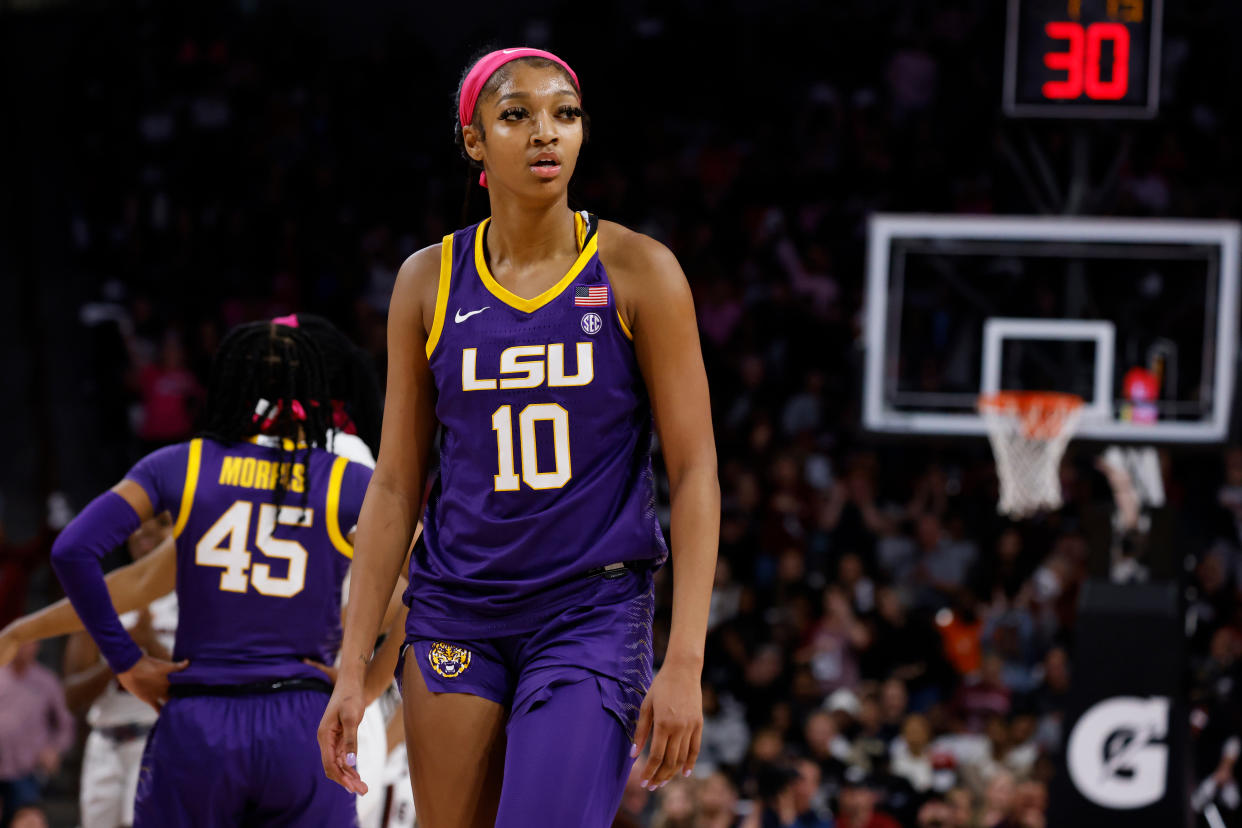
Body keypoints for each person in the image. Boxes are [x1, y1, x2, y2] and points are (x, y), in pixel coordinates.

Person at [318, 46, 719, 828]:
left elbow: (697, 469)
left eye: (564, 115)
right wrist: (349, 668)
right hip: (455, 607)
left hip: (589, 610)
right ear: (473, 140)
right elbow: (398, 484)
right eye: (517, 115)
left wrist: (685, 660)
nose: (546, 133)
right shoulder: (427, 279)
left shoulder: (640, 270)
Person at [50, 320, 374, 826]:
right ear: (313, 389)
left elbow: (72, 550)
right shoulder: (346, 479)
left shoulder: (178, 465)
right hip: (301, 721)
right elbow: (430, 572)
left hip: (198, 720)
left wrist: (127, 662)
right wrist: (364, 682)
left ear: (224, 384)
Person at [0, 642, 73, 828]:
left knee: (30, 820)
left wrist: (54, 749)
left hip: (28, 768)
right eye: (20, 642)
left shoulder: (47, 681)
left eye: (29, 643)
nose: (23, 647)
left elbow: (65, 726)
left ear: (37, 646)